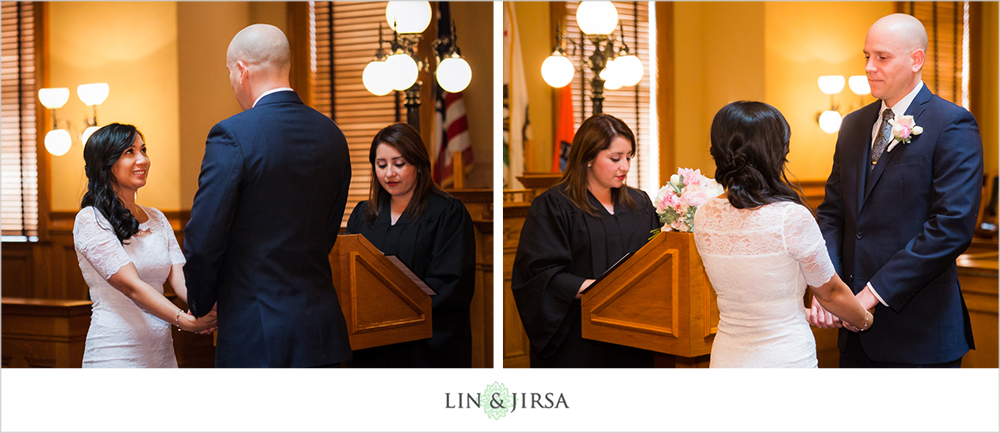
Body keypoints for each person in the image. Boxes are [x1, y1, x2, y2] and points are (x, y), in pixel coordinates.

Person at [811, 13, 981, 368]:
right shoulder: (853, 125)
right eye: (867, 56)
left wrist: (871, 295)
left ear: (915, 60)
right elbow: (833, 213)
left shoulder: (951, 124)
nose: (870, 67)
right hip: (854, 334)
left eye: (882, 57)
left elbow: (951, 226)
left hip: (919, 334)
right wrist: (831, 288)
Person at [183, 24, 352, 368]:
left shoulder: (233, 134)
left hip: (257, 334)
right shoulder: (332, 134)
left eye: (230, 72)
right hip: (324, 331)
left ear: (242, 70)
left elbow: (204, 238)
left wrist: (202, 303)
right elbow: (328, 229)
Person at [693, 102, 872, 368]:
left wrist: (801, 312)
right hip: (784, 358)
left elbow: (753, 296)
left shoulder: (705, 215)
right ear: (776, 151)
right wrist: (864, 320)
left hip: (727, 357)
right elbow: (830, 292)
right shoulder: (791, 217)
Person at [511, 114, 657, 368]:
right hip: (577, 340)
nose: (624, 167)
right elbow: (538, 274)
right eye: (615, 158)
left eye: (629, 157)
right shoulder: (554, 205)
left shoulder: (640, 202)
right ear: (588, 158)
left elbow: (655, 261)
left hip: (634, 333)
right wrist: (600, 290)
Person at [73, 123, 217, 368]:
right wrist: (184, 320)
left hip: (161, 352)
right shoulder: (90, 219)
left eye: (143, 150)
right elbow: (132, 286)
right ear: (105, 163)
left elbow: (181, 277)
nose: (143, 159)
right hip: (116, 352)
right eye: (129, 152)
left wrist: (204, 310)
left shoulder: (157, 218)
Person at [346, 123, 476, 368]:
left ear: (418, 165)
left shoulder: (447, 213)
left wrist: (402, 317)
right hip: (371, 342)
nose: (389, 174)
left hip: (423, 346)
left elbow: (451, 284)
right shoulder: (363, 215)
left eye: (399, 163)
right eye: (381, 165)